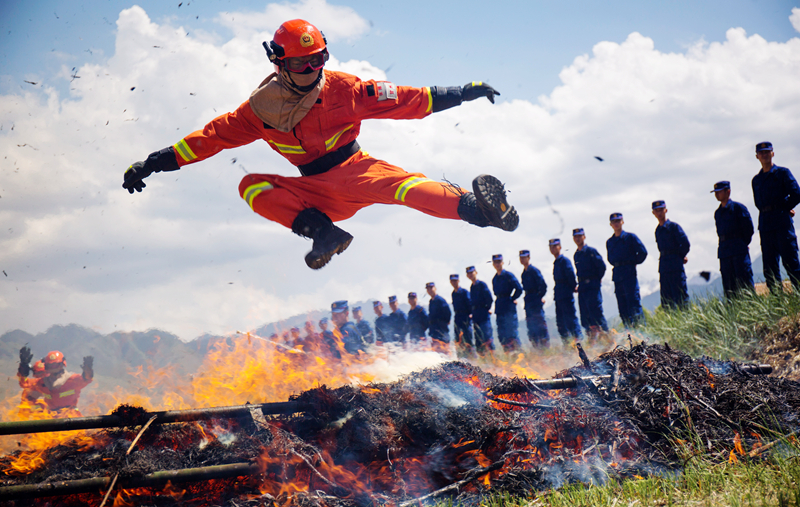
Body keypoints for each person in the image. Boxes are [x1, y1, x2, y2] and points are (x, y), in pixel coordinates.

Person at [122, 19, 519, 270]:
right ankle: (324, 236)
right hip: (314, 192)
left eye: (319, 60)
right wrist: (153, 163)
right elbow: (209, 139)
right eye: (300, 64)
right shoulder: (258, 112)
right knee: (251, 186)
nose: (312, 71)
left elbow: (408, 99)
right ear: (278, 63)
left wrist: (463, 92)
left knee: (406, 188)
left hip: (358, 169)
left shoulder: (346, 88)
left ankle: (481, 211)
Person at [751, 141, 800, 290]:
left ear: (773, 153)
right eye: (761, 153)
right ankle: (778, 302)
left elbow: (796, 193)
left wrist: (785, 208)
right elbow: (758, 203)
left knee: (791, 262)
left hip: (782, 223)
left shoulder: (783, 173)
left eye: (767, 152)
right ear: (757, 156)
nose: (765, 155)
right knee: (770, 267)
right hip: (766, 225)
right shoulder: (756, 180)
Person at [712, 181, 755, 295]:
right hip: (725, 252)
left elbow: (748, 229)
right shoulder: (718, 213)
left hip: (738, 250)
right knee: (729, 287)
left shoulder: (738, 208)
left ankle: (752, 308)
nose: (717, 195)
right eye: (715, 192)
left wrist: (742, 243)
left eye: (719, 192)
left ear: (728, 192)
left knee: (745, 283)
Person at [606, 213, 648, 327]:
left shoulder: (630, 237)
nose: (616, 223)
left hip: (629, 274)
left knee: (634, 305)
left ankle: (642, 332)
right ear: (611, 224)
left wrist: (633, 262)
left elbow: (643, 252)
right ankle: (629, 333)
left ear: (622, 222)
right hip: (618, 276)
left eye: (618, 221)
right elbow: (610, 259)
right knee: (623, 307)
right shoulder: (610, 242)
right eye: (614, 221)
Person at [25, 351, 94, 417]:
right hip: (52, 417)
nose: (52, 368)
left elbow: (86, 379)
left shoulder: (72, 379)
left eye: (55, 365)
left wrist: (88, 371)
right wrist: (22, 370)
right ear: (45, 366)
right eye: (50, 365)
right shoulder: (42, 382)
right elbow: (26, 384)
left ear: (62, 364)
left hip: (71, 417)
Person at [652, 201, 691, 308]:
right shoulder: (658, 231)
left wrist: (680, 257)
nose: (659, 213)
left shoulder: (674, 227)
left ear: (666, 210)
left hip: (675, 266)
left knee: (681, 298)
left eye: (661, 210)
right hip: (664, 267)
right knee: (666, 300)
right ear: (653, 213)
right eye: (656, 211)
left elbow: (685, 244)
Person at [572, 228, 608, 341]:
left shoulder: (591, 251)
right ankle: (592, 340)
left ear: (584, 236)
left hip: (592, 285)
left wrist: (597, 280)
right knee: (585, 315)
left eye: (580, 236)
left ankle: (606, 337)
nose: (578, 238)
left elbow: (601, 266)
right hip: (582, 287)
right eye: (576, 237)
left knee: (596, 312)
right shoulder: (576, 255)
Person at [549, 239, 582, 341]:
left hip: (566, 293)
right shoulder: (556, 262)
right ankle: (567, 343)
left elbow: (570, 275)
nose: (553, 248)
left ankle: (578, 341)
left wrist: (573, 287)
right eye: (551, 247)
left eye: (555, 246)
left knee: (570, 319)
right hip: (559, 295)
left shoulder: (564, 261)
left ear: (560, 247)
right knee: (561, 322)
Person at [491, 254, 523, 353]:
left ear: (502, 263)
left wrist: (513, 298)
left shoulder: (508, 275)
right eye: (495, 262)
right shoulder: (495, 279)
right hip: (500, 307)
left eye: (499, 262)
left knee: (511, 332)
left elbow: (519, 288)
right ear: (493, 264)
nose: (497, 264)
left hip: (508, 306)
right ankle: (508, 354)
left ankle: (518, 354)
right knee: (502, 333)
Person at [518, 250, 549, 348]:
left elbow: (543, 285)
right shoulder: (524, 273)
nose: (523, 259)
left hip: (535, 301)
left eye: (524, 257)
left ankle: (545, 348)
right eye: (521, 258)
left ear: (529, 257)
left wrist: (539, 297)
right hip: (528, 302)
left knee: (540, 325)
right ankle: (537, 348)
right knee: (531, 327)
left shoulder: (533, 270)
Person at [466, 266, 494, 354]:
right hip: (475, 315)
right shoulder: (472, 287)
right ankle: (483, 359)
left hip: (483, 314)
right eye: (468, 273)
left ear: (476, 272)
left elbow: (489, 298)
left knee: (487, 337)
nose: (470, 275)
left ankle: (493, 358)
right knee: (478, 339)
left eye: (472, 272)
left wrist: (486, 309)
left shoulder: (482, 285)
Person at [449, 274, 474, 355]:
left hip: (465, 317)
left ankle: (472, 358)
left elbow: (470, 304)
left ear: (458, 281)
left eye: (455, 281)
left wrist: (470, 314)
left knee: (468, 339)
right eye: (452, 281)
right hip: (457, 318)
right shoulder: (453, 293)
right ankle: (461, 358)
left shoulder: (464, 292)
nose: (454, 282)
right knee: (458, 340)